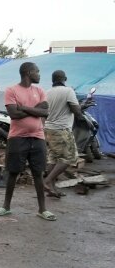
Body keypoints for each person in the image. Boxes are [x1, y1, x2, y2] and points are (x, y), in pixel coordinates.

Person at [0, 62, 54, 220]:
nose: (39, 74)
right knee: (13, 172)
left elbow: (45, 111)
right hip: (17, 137)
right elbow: (13, 114)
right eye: (37, 71)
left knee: (38, 173)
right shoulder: (11, 90)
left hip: (38, 137)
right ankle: (6, 206)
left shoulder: (40, 90)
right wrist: (35, 110)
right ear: (28, 72)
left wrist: (24, 108)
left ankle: (42, 209)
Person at [42, 70, 83, 198]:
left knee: (54, 158)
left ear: (52, 80)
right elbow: (75, 110)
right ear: (65, 78)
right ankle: (48, 181)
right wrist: (81, 109)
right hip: (62, 129)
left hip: (48, 129)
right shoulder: (68, 91)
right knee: (70, 158)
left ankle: (52, 189)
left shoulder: (47, 93)